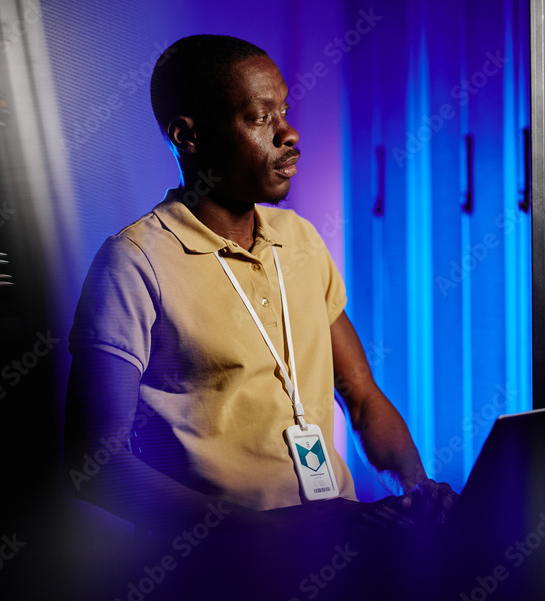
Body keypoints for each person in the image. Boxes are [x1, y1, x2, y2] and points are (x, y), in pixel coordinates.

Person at [63, 35, 456, 564]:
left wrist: (416, 489)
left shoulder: (300, 239)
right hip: (216, 569)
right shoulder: (134, 262)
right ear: (189, 137)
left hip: (336, 549)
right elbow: (95, 463)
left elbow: (362, 396)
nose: (289, 134)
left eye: (285, 111)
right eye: (259, 117)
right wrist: (272, 533)